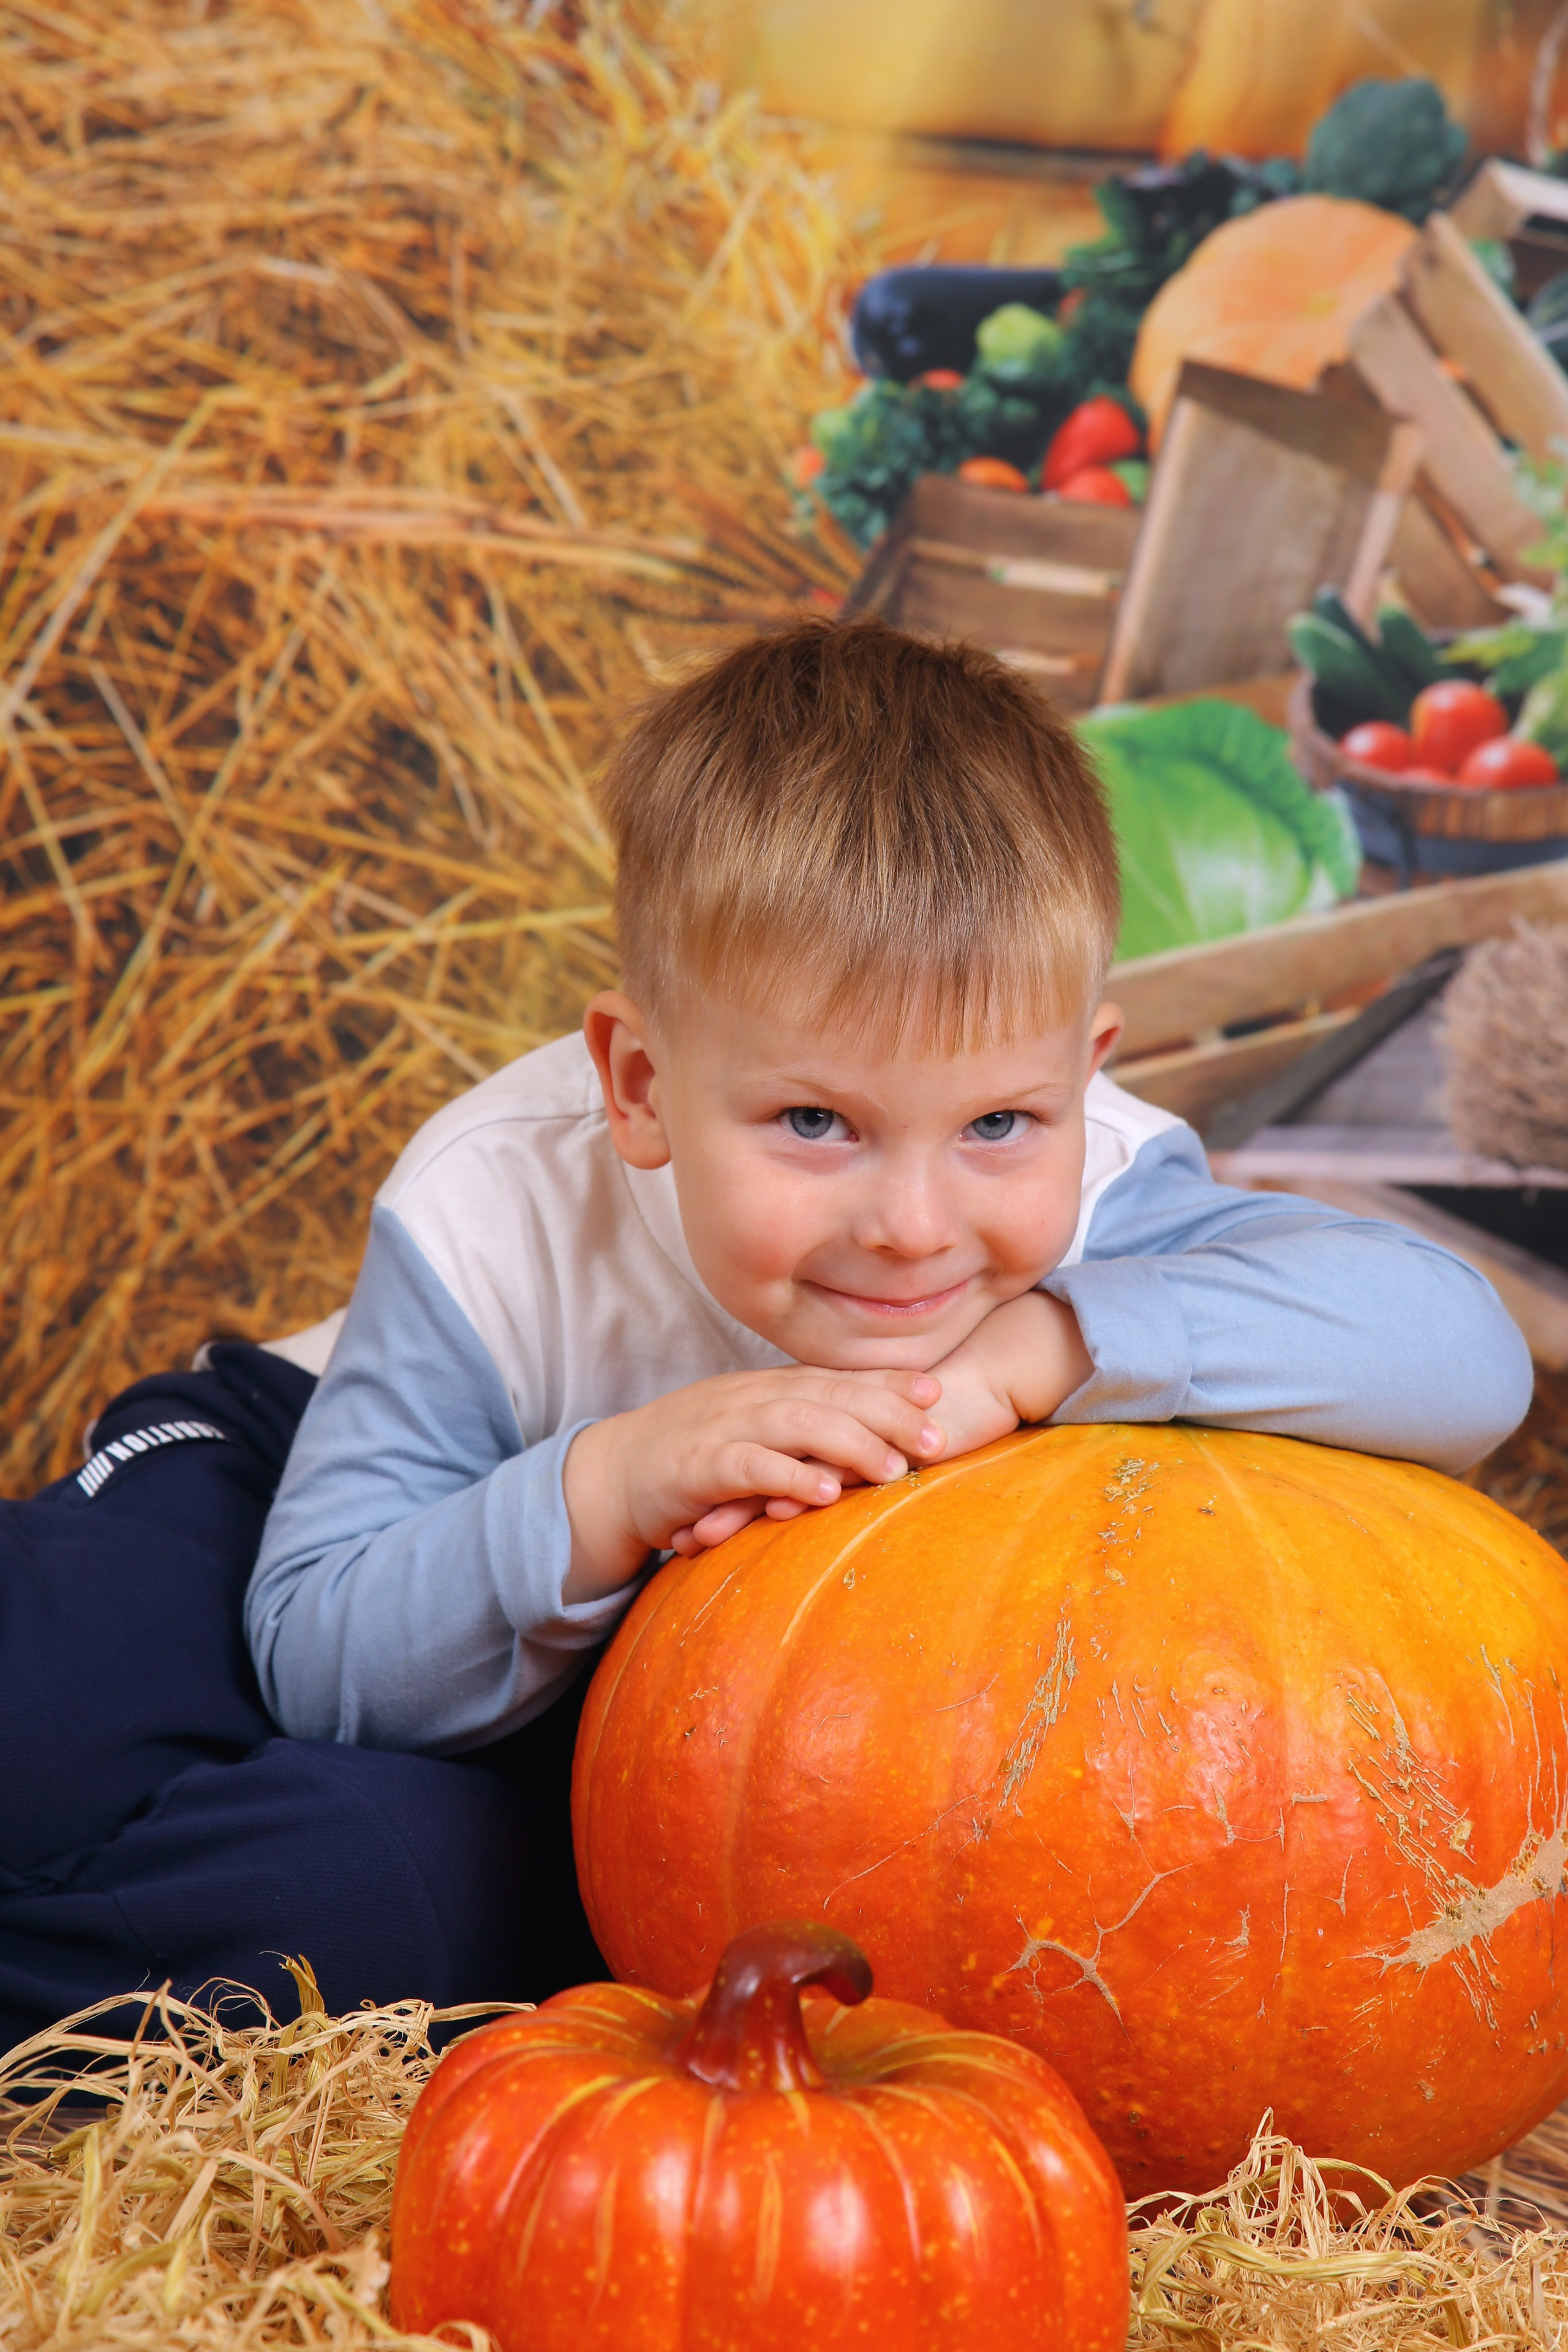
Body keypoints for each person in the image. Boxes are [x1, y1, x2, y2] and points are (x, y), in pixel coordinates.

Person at [1, 617, 1532, 2054]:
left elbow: (1467, 1358)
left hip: (632, 1718)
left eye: (998, 1123)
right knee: (49, 1707)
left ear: (1086, 1073)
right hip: (326, 1507)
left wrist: (1038, 1353)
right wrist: (612, 1483)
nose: (914, 1227)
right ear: (640, 1085)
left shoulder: (1099, 1195)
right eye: (814, 1122)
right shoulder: (497, 1196)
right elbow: (323, 1661)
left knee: (368, 1900)